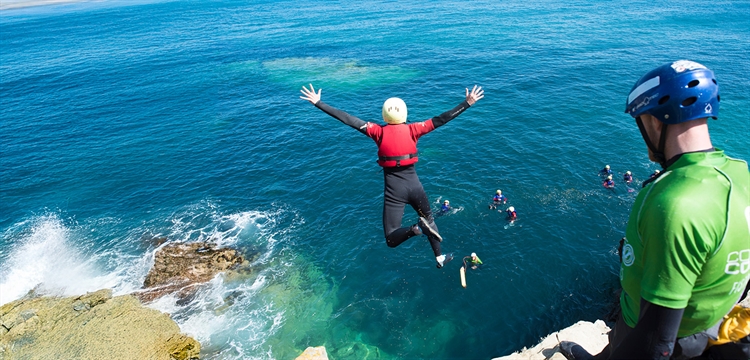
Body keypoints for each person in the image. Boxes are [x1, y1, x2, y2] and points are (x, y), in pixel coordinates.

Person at [560, 60, 750, 359]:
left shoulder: (675, 203)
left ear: (655, 121)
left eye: (641, 120)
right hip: (706, 322)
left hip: (660, 337)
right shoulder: (741, 173)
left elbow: (656, 342)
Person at [299, 84, 484, 269]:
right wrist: (466, 103)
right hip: (415, 187)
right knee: (430, 220)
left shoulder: (377, 132)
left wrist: (318, 103)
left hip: (395, 191)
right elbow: (442, 119)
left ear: (384, 115)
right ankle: (439, 257)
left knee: (391, 237)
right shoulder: (414, 130)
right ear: (404, 113)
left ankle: (417, 229)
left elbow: (348, 119)